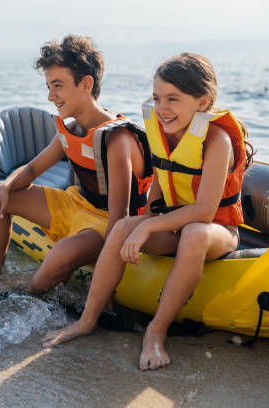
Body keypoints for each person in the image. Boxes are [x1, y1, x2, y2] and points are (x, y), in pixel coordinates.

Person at [42, 52, 255, 370]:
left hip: (216, 231)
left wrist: (149, 228)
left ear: (202, 101)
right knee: (123, 226)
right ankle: (88, 319)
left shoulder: (217, 140)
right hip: (173, 224)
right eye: (157, 98)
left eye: (173, 99)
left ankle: (155, 333)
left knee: (193, 234)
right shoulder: (165, 130)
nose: (162, 108)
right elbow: (160, 184)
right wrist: (141, 222)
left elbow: (206, 210)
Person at [0, 35, 154, 294]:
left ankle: (25, 295)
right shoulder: (70, 128)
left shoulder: (117, 139)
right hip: (76, 204)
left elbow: (120, 219)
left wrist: (106, 282)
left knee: (62, 253)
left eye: (58, 86)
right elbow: (31, 170)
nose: (51, 96)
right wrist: (5, 187)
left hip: (106, 222)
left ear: (86, 84)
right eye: (49, 87)